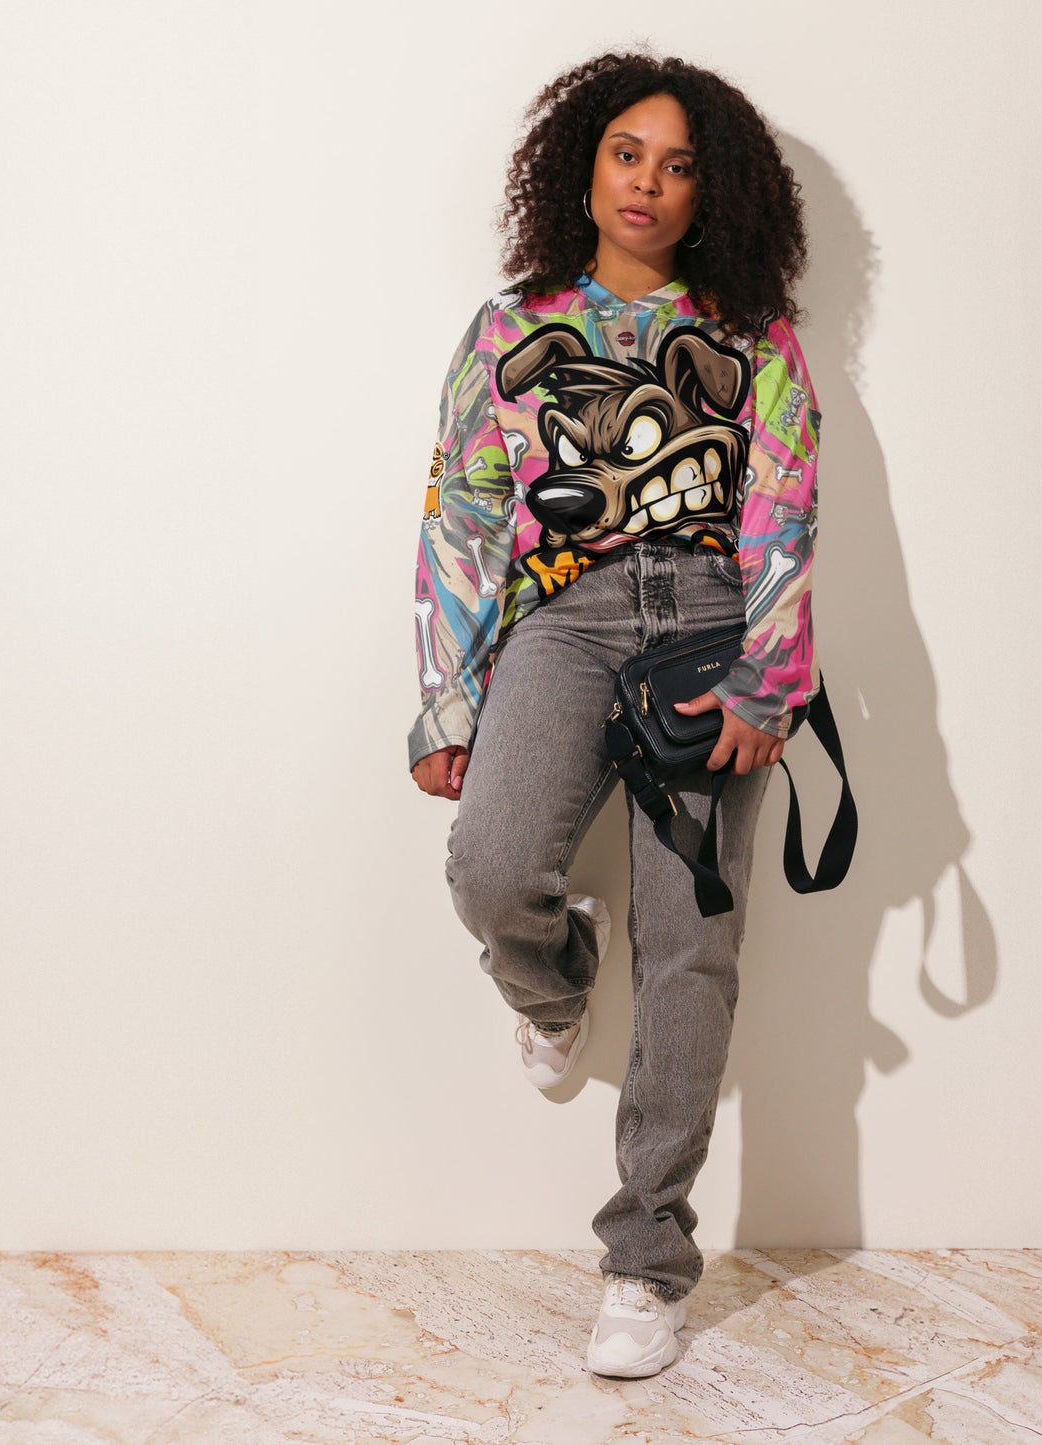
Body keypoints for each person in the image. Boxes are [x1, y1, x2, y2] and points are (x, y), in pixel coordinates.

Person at [407, 49, 822, 1379]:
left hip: (710, 622)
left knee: (691, 944)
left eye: (678, 165)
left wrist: (767, 677)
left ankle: (646, 1260)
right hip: (561, 616)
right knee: (490, 867)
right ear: (580, 165)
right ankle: (555, 977)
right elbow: (465, 509)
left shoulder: (752, 337)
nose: (647, 183)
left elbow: (784, 508)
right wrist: (445, 697)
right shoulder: (509, 327)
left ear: (714, 192)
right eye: (626, 153)